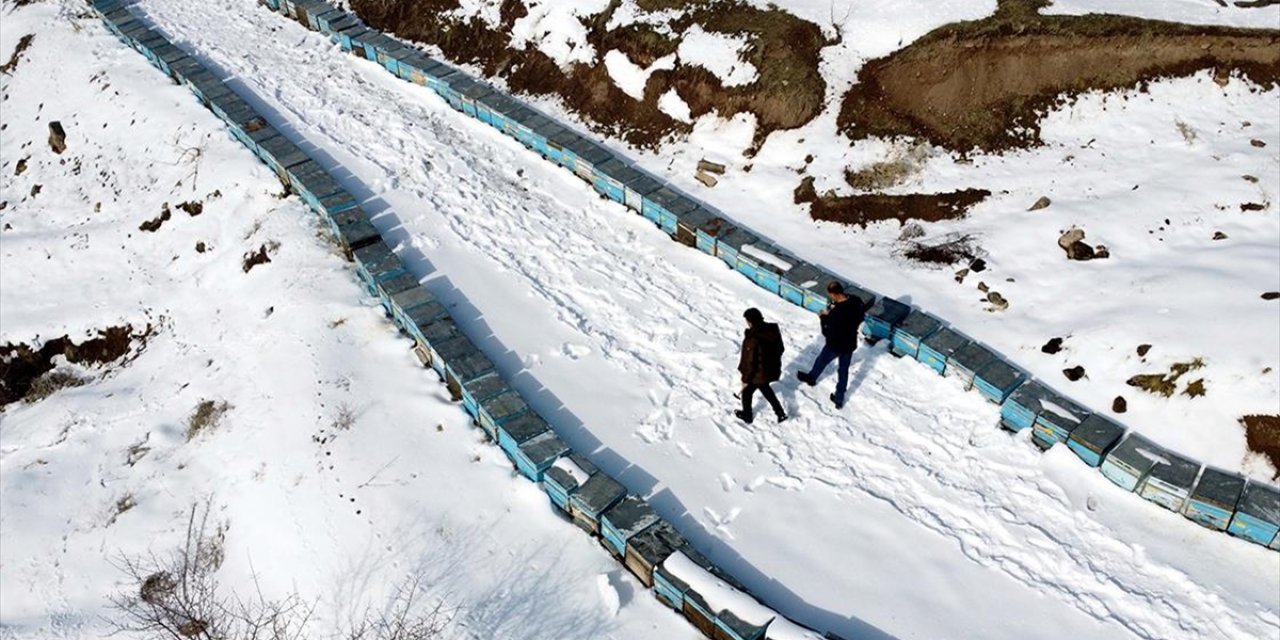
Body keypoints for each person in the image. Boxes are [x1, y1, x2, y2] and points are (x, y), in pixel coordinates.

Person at [797, 281, 871, 409]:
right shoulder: (855, 300)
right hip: (849, 343)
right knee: (843, 371)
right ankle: (839, 398)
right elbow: (860, 315)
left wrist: (823, 317)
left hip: (835, 344)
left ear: (834, 294)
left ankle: (812, 378)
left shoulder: (837, 313)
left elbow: (827, 331)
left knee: (821, 360)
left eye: (831, 295)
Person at [735, 308, 787, 424]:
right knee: (765, 389)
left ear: (750, 321)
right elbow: (780, 348)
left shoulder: (752, 338)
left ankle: (747, 416)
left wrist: (745, 379)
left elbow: (749, 362)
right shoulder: (773, 329)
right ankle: (780, 413)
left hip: (758, 373)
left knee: (747, 393)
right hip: (770, 369)